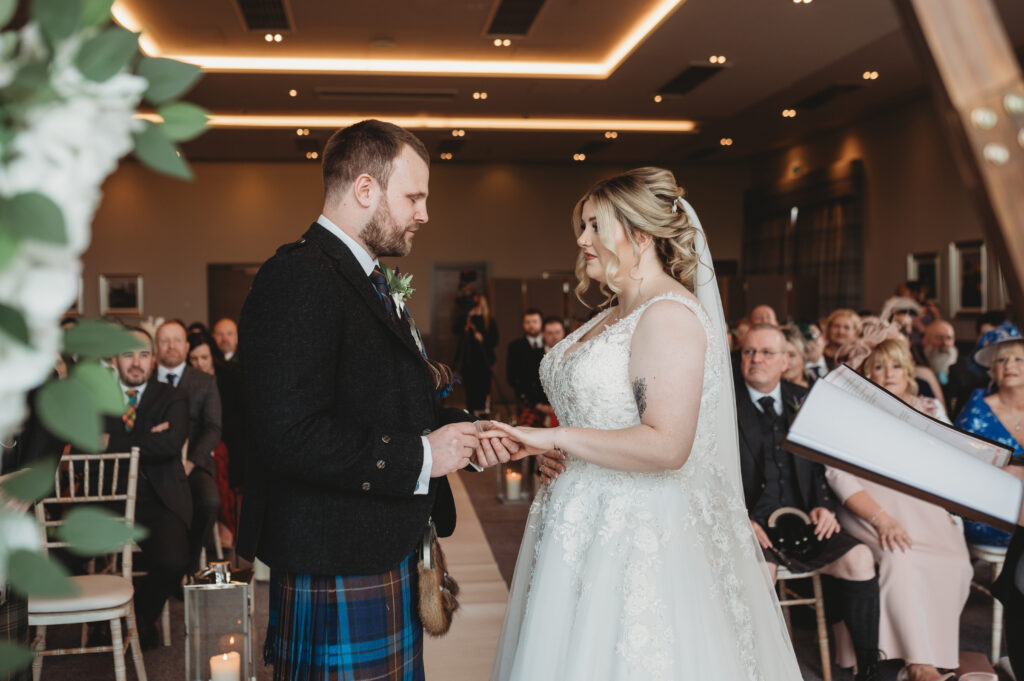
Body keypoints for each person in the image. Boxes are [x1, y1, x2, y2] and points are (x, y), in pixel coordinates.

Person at [482, 167, 803, 680]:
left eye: (593, 226)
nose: (582, 239)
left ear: (640, 234)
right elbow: (600, 418)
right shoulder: (612, 314)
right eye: (582, 227)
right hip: (577, 519)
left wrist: (557, 436)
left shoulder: (669, 314)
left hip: (636, 530)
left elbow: (667, 445)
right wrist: (555, 450)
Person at [237, 119, 510, 681]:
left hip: (378, 546)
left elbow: (384, 401)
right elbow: (289, 433)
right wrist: (423, 458)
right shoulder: (297, 277)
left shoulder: (368, 279)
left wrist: (465, 435)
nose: (424, 213)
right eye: (414, 196)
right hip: (335, 554)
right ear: (366, 190)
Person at [736, 324, 881, 681]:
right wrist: (738, 520)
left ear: (786, 360)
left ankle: (869, 669)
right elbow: (711, 473)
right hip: (752, 525)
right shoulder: (724, 405)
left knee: (861, 558)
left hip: (804, 520)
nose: (756, 360)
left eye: (767, 353)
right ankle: (753, 670)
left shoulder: (806, 399)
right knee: (759, 573)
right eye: (748, 352)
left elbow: (821, 468)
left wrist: (825, 506)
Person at [826, 338, 971, 681]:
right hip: (869, 506)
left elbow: (954, 459)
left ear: (907, 372)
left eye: (894, 366)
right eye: (878, 366)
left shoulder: (930, 408)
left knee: (958, 564)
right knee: (900, 557)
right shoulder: (850, 409)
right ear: (866, 373)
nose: (887, 374)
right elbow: (836, 472)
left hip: (923, 509)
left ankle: (933, 651)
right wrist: (881, 519)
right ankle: (920, 665)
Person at [104, 327, 191, 649]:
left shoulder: (173, 396)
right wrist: (147, 438)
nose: (136, 362)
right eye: (128, 354)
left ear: (153, 360)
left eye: (143, 354)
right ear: (116, 360)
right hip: (107, 500)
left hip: (158, 498)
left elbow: (170, 444)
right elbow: (88, 444)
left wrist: (113, 441)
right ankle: (101, 618)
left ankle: (137, 616)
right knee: (59, 553)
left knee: (175, 562)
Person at [155, 319, 222, 570]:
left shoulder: (204, 382)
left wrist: (191, 462)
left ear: (186, 347)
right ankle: (163, 563)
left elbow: (213, 428)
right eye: (164, 340)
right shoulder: (144, 379)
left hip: (193, 462)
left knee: (208, 501)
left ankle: (189, 562)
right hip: (154, 464)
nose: (171, 346)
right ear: (156, 347)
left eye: (177, 340)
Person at [954, 322, 1024, 548]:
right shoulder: (976, 409)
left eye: (1018, 359)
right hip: (993, 512)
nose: (1009, 366)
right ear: (992, 370)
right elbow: (960, 469)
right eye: (1001, 360)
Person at [188, 331, 244, 549]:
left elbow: (239, 418)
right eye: (194, 359)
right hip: (201, 441)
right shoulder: (188, 382)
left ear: (212, 356)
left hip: (231, 439)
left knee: (219, 457)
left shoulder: (229, 376)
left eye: (204, 357)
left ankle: (225, 526)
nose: (200, 363)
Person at [453, 292, 499, 416]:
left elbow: (494, 341)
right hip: (468, 361)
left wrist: (482, 338)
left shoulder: (489, 321)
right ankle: (471, 414)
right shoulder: (466, 319)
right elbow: (456, 331)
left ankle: (483, 413)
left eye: (477, 303)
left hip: (484, 361)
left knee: (483, 390)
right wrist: (467, 320)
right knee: (470, 390)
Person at [506, 309, 546, 424]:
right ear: (523, 324)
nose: (531, 325)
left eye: (534, 321)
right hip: (525, 397)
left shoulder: (549, 342)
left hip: (548, 398)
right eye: (527, 322)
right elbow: (511, 375)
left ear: (541, 323)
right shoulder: (515, 346)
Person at [780, 323, 811, 389]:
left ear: (803, 357)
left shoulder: (818, 386)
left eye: (791, 355)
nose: (786, 361)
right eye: (781, 355)